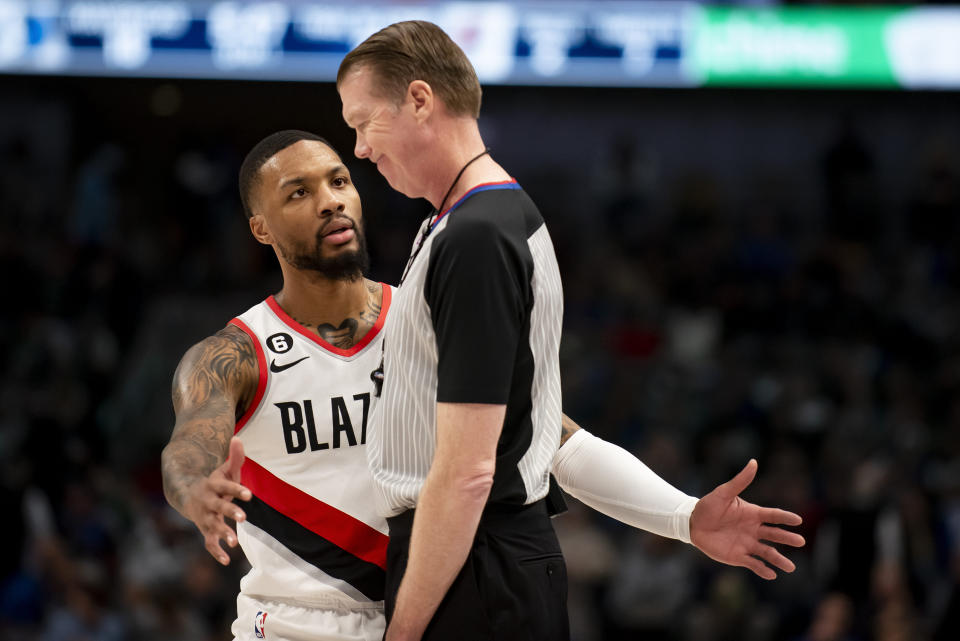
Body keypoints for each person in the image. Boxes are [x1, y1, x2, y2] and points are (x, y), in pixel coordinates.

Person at [161, 130, 804, 641]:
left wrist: (686, 517)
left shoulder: (427, 319)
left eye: (339, 181)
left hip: (428, 615)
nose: (330, 199)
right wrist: (196, 493)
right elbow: (188, 447)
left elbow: (554, 442)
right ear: (260, 228)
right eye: (298, 193)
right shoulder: (233, 353)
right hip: (297, 625)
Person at [335, 21, 802, 641]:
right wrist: (684, 517)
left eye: (364, 122)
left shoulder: (476, 237)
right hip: (487, 565)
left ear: (420, 100)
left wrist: (405, 630)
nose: (361, 148)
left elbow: (470, 472)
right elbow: (549, 434)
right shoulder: (486, 220)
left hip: (473, 573)